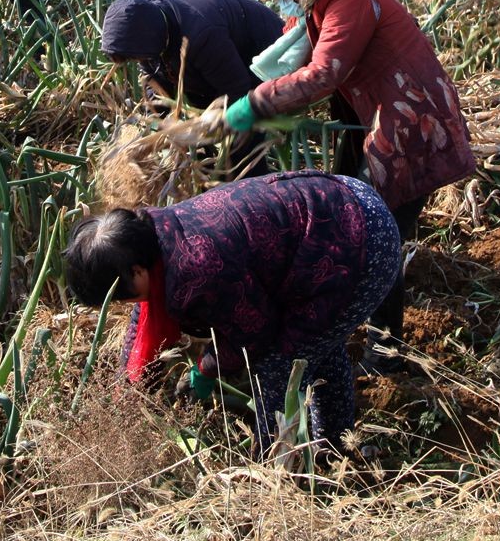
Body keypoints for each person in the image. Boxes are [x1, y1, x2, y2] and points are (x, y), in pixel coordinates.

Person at [225, 0, 473, 363]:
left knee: (379, 233)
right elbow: (304, 56)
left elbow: (325, 73)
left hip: (412, 121)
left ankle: (386, 349)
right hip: (380, 118)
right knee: (356, 221)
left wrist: (257, 103)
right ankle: (366, 321)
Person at [64, 170, 402, 456]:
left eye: (122, 297)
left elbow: (255, 335)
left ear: (136, 272)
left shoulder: (194, 271)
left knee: (280, 363)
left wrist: (207, 368)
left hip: (364, 241)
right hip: (343, 197)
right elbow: (144, 322)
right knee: (318, 349)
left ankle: (280, 468)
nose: (128, 305)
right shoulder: (152, 231)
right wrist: (128, 387)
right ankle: (334, 447)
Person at [101, 0, 286, 173]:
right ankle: (208, 176)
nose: (139, 62)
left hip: (265, 55)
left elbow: (237, 88)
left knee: (239, 135)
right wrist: (154, 124)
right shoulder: (144, 26)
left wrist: (207, 125)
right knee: (199, 127)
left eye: (138, 57)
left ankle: (253, 183)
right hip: (215, 59)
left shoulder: (200, 33)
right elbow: (154, 79)